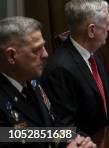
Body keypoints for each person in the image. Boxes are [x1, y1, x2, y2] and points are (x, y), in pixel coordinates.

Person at [0, 17, 96, 148]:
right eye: (36, 50)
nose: (45, 54)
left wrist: (77, 141)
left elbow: (50, 129)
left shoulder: (32, 81)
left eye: (43, 46)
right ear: (11, 56)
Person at [42, 0, 109, 136]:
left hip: (108, 135)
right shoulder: (60, 69)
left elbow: (107, 102)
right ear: (91, 30)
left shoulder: (93, 52)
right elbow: (65, 126)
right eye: (107, 23)